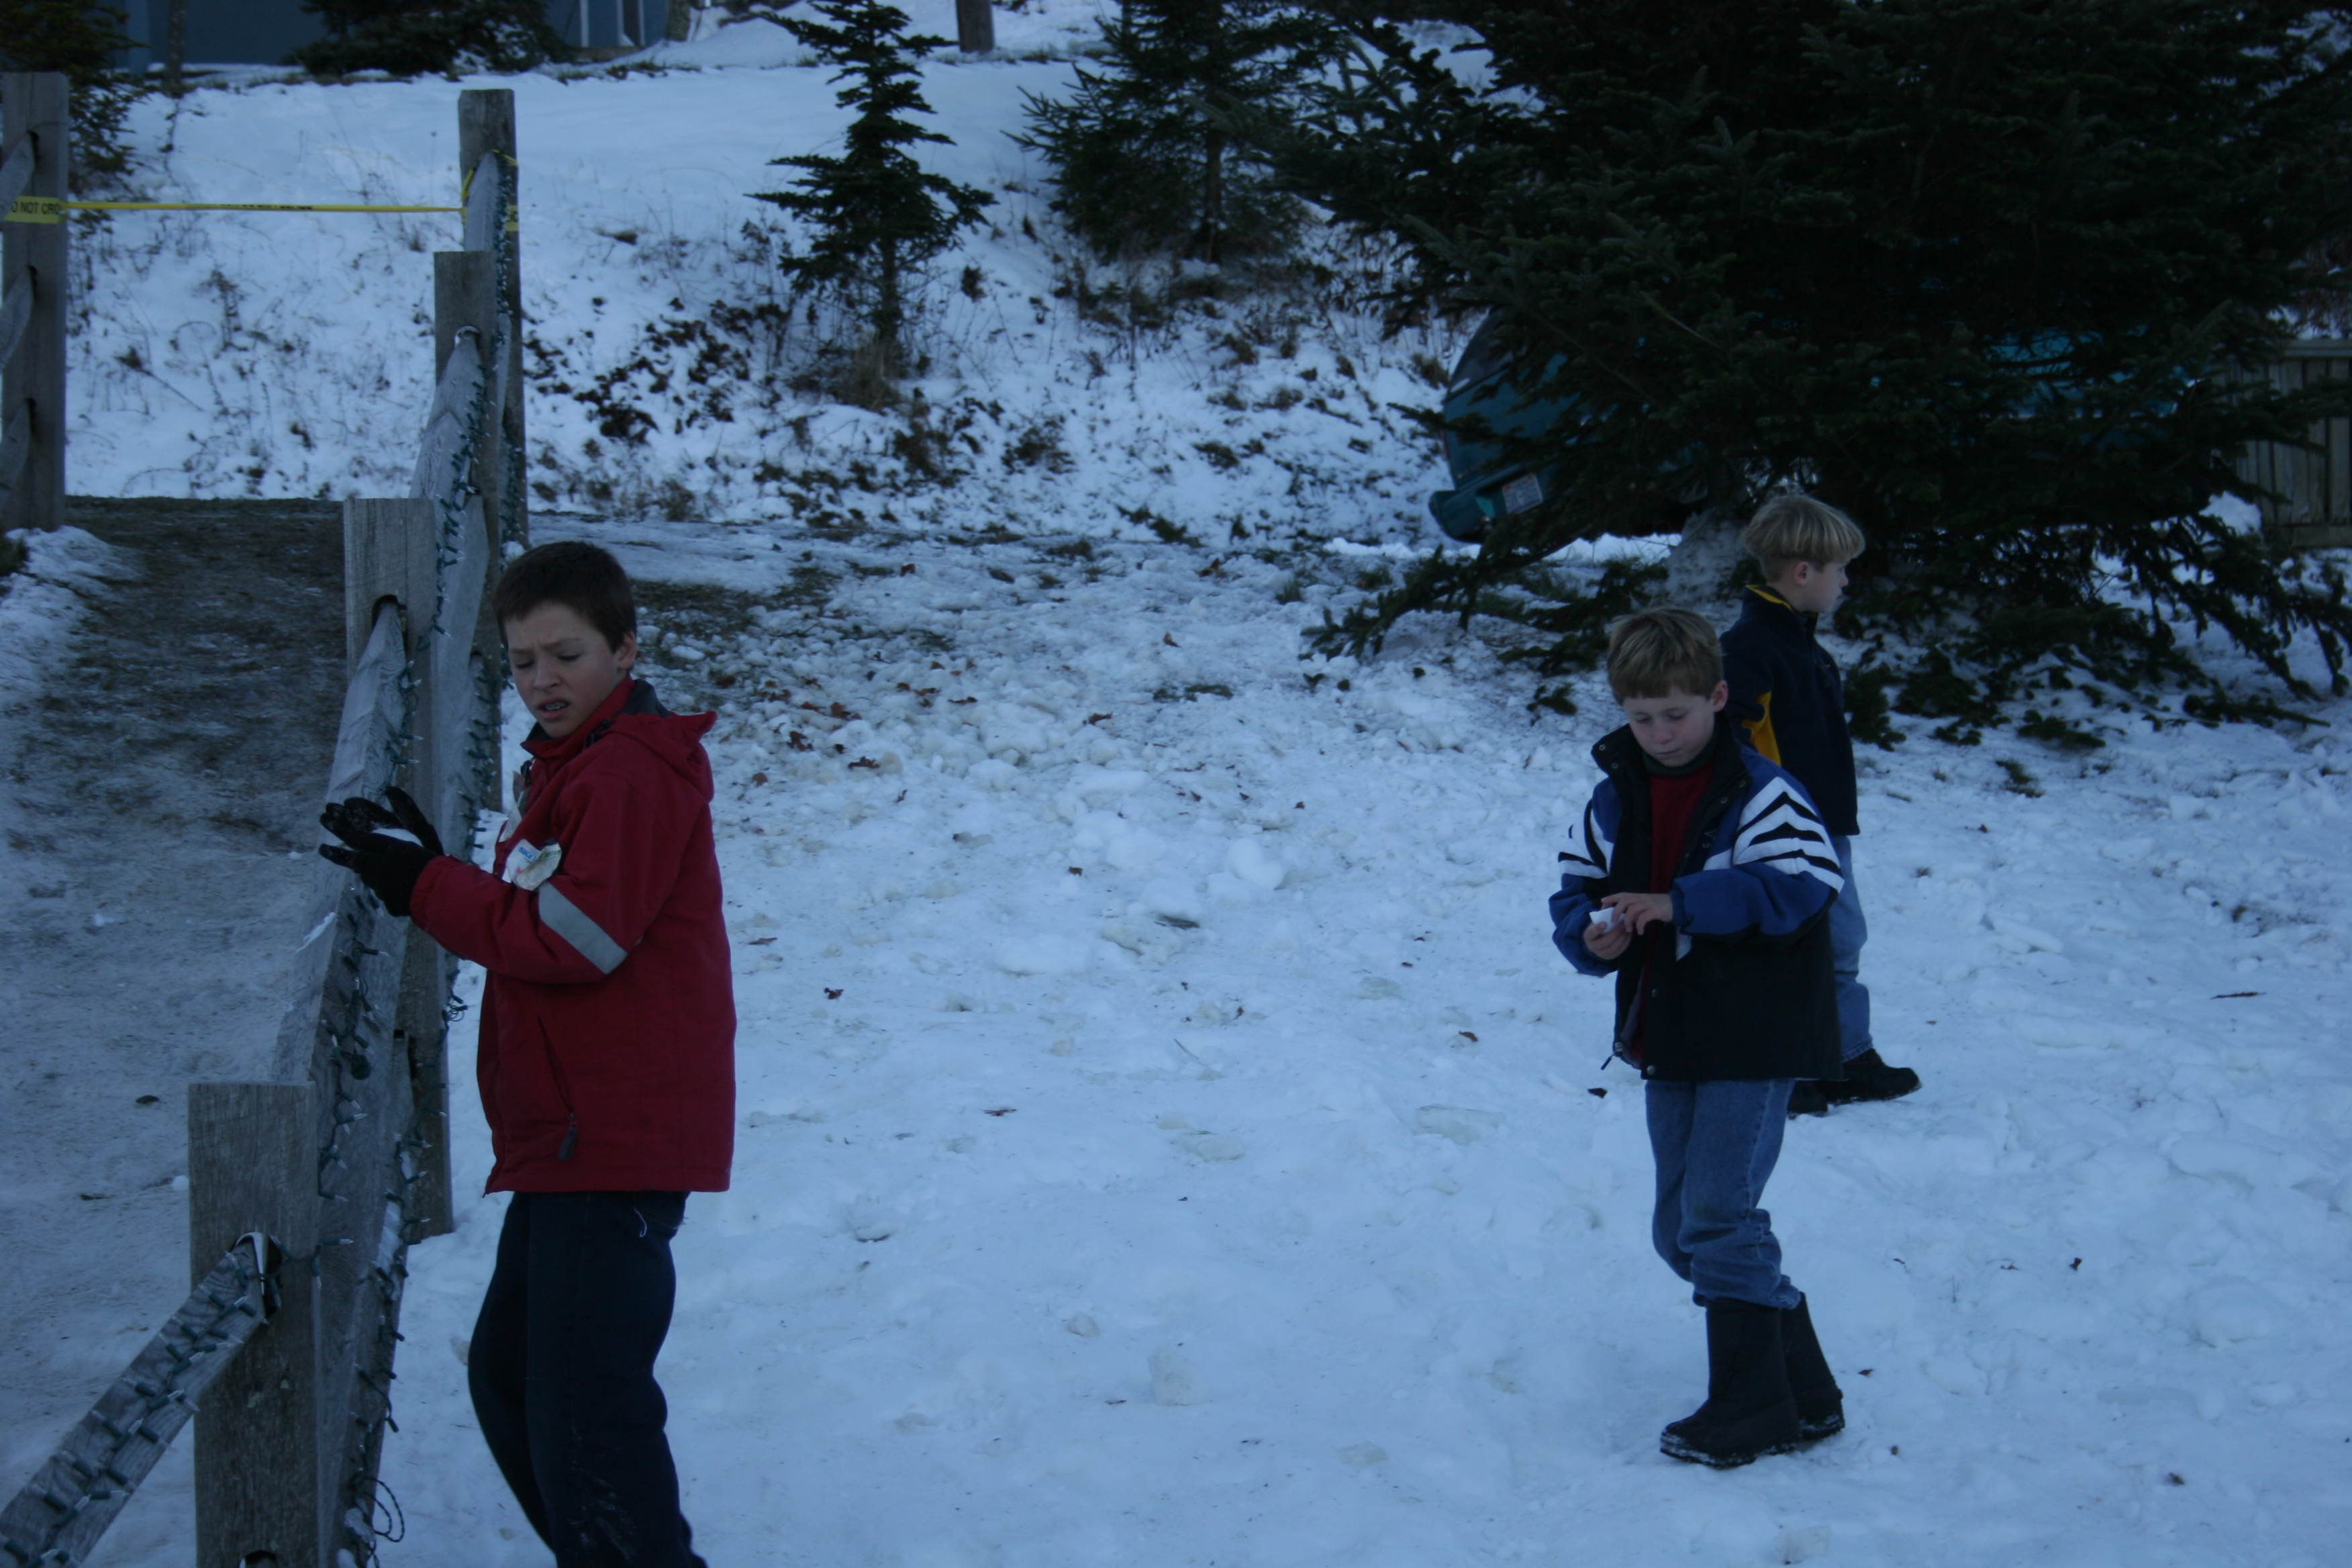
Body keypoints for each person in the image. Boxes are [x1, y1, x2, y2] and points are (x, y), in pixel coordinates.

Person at [320, 540, 732, 1567]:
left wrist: (425, 888)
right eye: (522, 662)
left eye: (568, 655)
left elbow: (573, 939)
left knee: (587, 1411)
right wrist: (440, 868)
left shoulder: (628, 773)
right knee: (514, 1380)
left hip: (615, 1134)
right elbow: (547, 904)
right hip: (568, 1134)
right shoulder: (578, 766)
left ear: (626, 650)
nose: (543, 681)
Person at [1549, 607, 1847, 1468]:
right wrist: (1593, 933)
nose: (1660, 732)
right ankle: (1804, 1384)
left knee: (1719, 1215)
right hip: (1670, 1033)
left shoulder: (1763, 790)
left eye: (1676, 713)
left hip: (1754, 1033)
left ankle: (1753, 1404)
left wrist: (1682, 904)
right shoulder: (1614, 794)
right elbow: (1577, 888)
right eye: (1641, 716)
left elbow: (1802, 886)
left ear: (1718, 696)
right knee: (1679, 1231)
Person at [1720, 494, 1921, 1116]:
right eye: (1841, 570)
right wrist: (1757, 818)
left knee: (1839, 939)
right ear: (1803, 572)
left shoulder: (1802, 643)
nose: (1846, 581)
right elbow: (1732, 739)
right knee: (1789, 942)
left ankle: (1843, 1058)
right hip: (1784, 832)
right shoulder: (1754, 645)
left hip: (1822, 827)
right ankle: (1790, 1065)